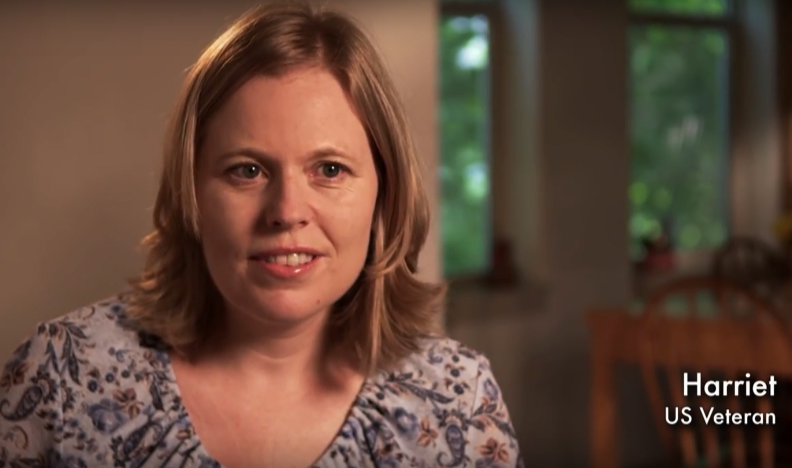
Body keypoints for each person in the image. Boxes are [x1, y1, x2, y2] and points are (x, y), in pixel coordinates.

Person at [0, 2, 523, 467]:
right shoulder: (60, 379)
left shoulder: (458, 402)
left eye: (330, 170)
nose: (287, 212)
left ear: (384, 194)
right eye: (247, 170)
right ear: (192, 193)